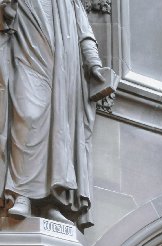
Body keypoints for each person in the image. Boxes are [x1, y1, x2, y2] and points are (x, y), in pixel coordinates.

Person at [0, 0, 115, 228]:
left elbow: (84, 30)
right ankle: (21, 193)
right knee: (28, 116)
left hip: (63, 68)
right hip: (25, 57)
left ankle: (50, 201)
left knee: (59, 131)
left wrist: (93, 63)